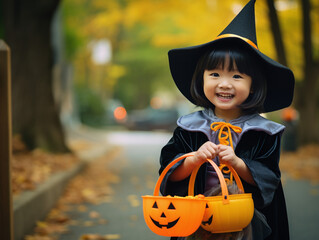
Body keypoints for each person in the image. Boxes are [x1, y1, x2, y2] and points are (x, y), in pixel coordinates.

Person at [159, 0, 294, 239]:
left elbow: (268, 179)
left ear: (253, 86)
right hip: (197, 217)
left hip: (248, 220)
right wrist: (193, 159)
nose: (224, 83)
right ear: (201, 79)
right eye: (214, 74)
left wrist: (238, 163)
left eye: (237, 75)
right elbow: (169, 173)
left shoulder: (264, 133)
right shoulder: (188, 128)